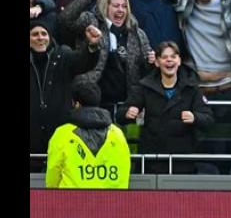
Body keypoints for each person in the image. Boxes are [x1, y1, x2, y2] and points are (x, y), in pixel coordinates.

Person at [118, 41, 215, 167]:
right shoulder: (144, 86)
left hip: (182, 160)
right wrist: (127, 113)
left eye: (173, 57)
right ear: (157, 62)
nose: (169, 60)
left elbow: (208, 119)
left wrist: (195, 117)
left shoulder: (192, 88)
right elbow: (120, 115)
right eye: (164, 57)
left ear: (179, 61)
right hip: (151, 159)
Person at [30, 19, 102, 157]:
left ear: (50, 38)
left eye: (44, 34)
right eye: (35, 34)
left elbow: (83, 63)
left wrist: (92, 45)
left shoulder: (63, 55)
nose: (40, 38)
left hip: (59, 130)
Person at [46, 81, 131, 189]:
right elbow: (124, 170)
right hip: (110, 202)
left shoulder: (63, 133)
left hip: (71, 202)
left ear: (75, 104)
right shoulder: (117, 133)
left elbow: (53, 172)